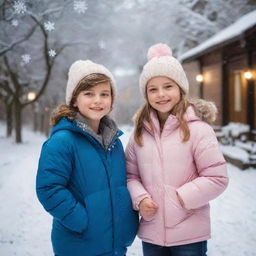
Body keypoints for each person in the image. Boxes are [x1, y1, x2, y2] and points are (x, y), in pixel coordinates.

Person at [125, 43, 229, 256]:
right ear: (146, 94)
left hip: (189, 233)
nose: (161, 94)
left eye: (168, 86)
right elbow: (130, 175)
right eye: (153, 89)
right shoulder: (139, 134)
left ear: (180, 88)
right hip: (152, 231)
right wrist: (141, 199)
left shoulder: (199, 130)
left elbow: (217, 177)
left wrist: (182, 198)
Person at [36, 60, 138, 256]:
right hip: (80, 244)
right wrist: (82, 221)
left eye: (104, 94)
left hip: (114, 244)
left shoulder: (114, 141)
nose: (97, 100)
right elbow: (48, 188)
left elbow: (119, 186)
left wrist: (126, 222)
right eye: (88, 93)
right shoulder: (62, 141)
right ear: (74, 99)